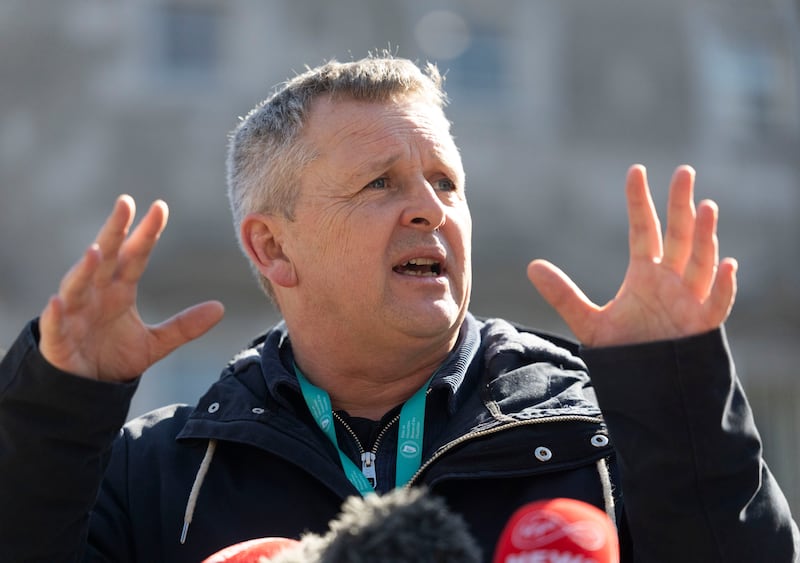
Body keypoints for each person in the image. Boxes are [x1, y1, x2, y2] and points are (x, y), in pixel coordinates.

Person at [0, 54, 797, 563]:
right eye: (381, 182)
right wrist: (57, 406)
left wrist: (674, 389)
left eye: (446, 183)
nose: (430, 211)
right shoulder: (163, 471)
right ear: (274, 249)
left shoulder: (607, 431)